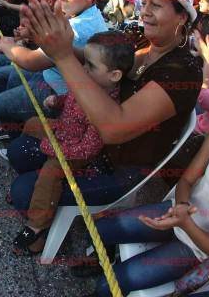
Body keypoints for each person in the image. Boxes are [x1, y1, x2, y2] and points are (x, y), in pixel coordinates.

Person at [76, 52, 209, 296]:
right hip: (176, 211)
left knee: (109, 284)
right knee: (99, 229)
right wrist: (181, 208)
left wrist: (185, 221)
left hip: (197, 248)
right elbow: (187, 180)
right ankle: (106, 257)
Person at [12, 0, 202, 212]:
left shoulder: (183, 70)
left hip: (121, 167)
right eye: (144, 3)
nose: (144, 12)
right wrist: (57, 44)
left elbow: (114, 129)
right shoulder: (141, 40)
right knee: (19, 152)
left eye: (155, 5)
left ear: (182, 16)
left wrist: (62, 56)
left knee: (22, 190)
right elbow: (100, 62)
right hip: (90, 140)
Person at [8, 31, 135, 255]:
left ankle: (38, 226)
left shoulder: (106, 107)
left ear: (114, 75)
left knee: (51, 172)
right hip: (64, 129)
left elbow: (88, 149)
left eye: (91, 66)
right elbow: (73, 96)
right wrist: (58, 100)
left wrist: (52, 148)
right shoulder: (90, 84)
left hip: (76, 151)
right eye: (84, 62)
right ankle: (27, 189)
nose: (84, 69)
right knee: (32, 123)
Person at [0, 0, 107, 139]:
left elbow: (31, 61)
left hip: (59, 92)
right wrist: (31, 35)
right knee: (8, 75)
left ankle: (17, 135)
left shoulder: (80, 26)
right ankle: (18, 122)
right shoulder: (85, 13)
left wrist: (6, 45)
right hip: (52, 73)